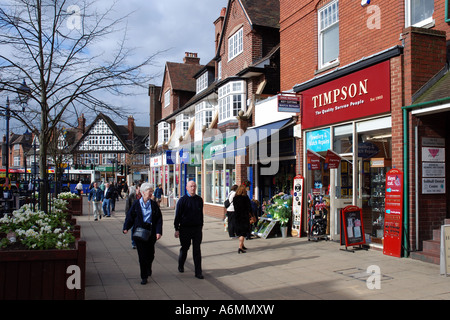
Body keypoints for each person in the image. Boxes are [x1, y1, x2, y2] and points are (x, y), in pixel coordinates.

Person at [123, 183, 162, 285]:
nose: (151, 193)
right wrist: (126, 227)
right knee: (142, 256)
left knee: (150, 255)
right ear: (143, 192)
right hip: (139, 232)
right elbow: (130, 216)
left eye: (152, 191)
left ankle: (148, 267)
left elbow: (158, 219)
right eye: (150, 191)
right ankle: (144, 276)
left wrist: (158, 231)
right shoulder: (136, 204)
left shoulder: (153, 205)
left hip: (151, 232)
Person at [174, 180, 204, 279]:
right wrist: (176, 228)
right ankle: (181, 264)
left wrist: (201, 225)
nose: (193, 188)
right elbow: (177, 215)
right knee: (185, 248)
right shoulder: (182, 200)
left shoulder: (199, 200)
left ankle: (198, 272)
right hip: (185, 229)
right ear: (187, 188)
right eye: (191, 186)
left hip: (196, 229)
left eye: (194, 186)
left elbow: (201, 214)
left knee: (197, 250)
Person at [232, 185, 252, 254]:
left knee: (239, 231)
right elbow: (249, 207)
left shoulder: (235, 198)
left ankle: (242, 245)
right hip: (244, 217)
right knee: (243, 232)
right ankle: (240, 247)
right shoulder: (245, 198)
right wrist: (252, 215)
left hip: (237, 216)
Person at [126, 183, 141, 249]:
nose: (139, 191)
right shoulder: (131, 196)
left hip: (141, 217)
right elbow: (127, 207)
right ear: (136, 189)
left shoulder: (144, 197)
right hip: (133, 216)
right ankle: (134, 243)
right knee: (133, 229)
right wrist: (127, 216)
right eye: (138, 189)